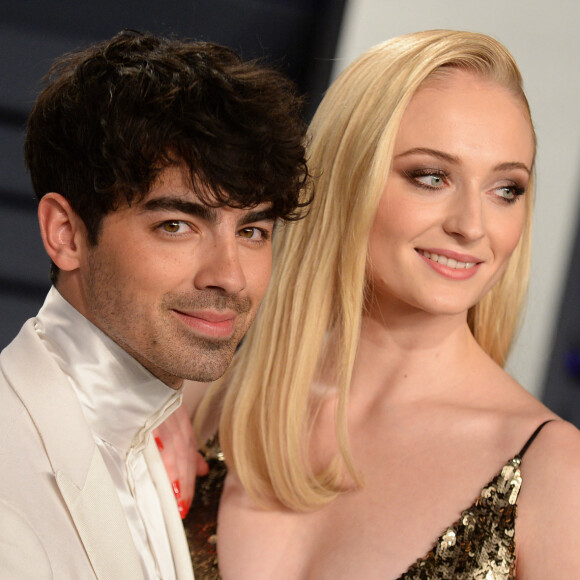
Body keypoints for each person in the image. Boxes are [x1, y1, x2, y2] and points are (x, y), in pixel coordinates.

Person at [180, 29, 580, 579]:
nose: (471, 226)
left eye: (505, 189)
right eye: (431, 177)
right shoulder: (207, 400)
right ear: (348, 178)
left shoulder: (554, 472)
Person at [0, 30, 309, 579]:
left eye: (253, 231)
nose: (230, 277)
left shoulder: (148, 446)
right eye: (176, 225)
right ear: (66, 234)